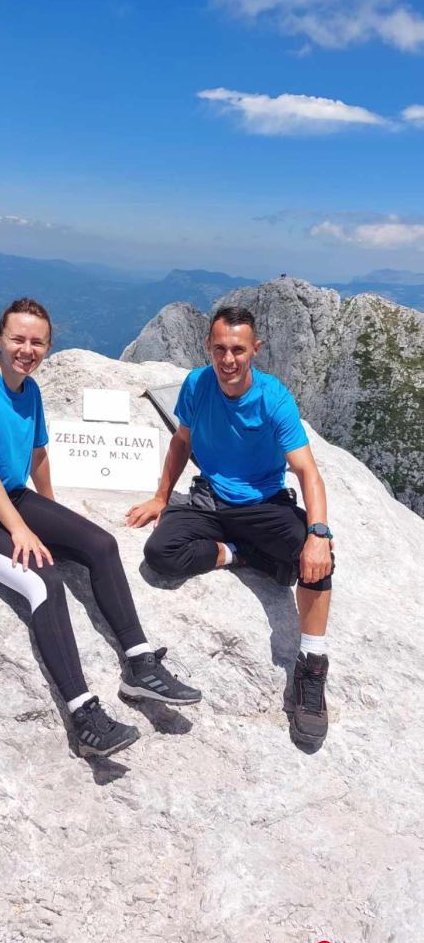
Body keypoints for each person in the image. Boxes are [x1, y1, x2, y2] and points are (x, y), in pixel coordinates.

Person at [0, 297, 201, 760]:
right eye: (18, 339)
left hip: (12, 496)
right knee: (44, 581)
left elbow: (38, 455)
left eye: (37, 342)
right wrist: (21, 530)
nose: (27, 350)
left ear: (48, 346)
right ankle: (84, 718)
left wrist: (54, 517)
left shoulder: (30, 391)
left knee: (100, 544)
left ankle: (140, 665)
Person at [127, 305, 334, 750]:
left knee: (318, 561)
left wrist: (318, 534)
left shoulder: (274, 398)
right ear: (208, 346)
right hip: (210, 499)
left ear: (255, 349)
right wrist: (161, 497)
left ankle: (312, 665)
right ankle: (240, 553)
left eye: (238, 349)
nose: (228, 359)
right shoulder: (197, 384)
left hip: (263, 504)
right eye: (219, 348)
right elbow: (182, 441)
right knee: (160, 554)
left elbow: (307, 471)